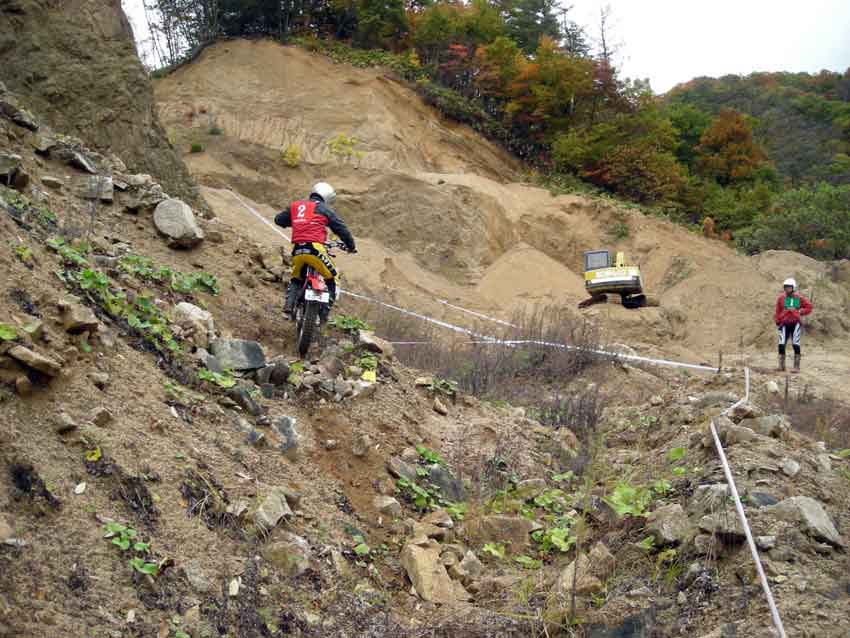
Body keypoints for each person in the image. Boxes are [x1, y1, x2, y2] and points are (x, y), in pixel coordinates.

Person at [274, 181, 356, 321]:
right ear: (327, 197)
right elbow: (341, 229)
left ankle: (288, 308)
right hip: (316, 250)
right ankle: (324, 314)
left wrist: (296, 220)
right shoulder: (324, 209)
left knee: (296, 278)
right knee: (333, 278)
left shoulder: (296, 206)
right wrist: (351, 246)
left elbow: (279, 220)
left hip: (298, 250)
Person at [773, 277, 812, 373]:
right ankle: (781, 366)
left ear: (793, 287)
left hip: (795, 323)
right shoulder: (781, 298)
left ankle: (796, 367)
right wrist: (777, 320)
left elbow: (809, 307)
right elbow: (778, 310)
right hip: (784, 323)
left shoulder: (799, 298)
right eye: (785, 287)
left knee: (795, 344)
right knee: (781, 344)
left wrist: (800, 311)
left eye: (789, 287)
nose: (787, 289)